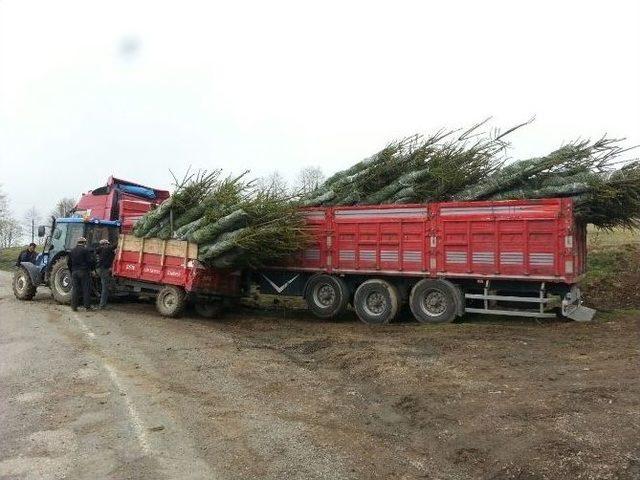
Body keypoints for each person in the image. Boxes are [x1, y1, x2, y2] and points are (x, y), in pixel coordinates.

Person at [67, 237, 95, 311]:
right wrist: (92, 269)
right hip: (84, 272)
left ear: (78, 242)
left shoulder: (72, 251)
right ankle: (87, 306)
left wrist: (71, 270)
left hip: (74, 272)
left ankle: (74, 306)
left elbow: (68, 262)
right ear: (84, 243)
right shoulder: (86, 250)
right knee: (86, 289)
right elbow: (90, 261)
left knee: (75, 289)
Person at [95, 238, 116, 309]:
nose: (108, 245)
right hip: (104, 270)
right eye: (107, 244)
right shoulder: (106, 249)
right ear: (104, 244)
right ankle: (102, 305)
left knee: (105, 285)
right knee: (105, 288)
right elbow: (114, 246)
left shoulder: (99, 250)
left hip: (100, 269)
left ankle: (100, 299)